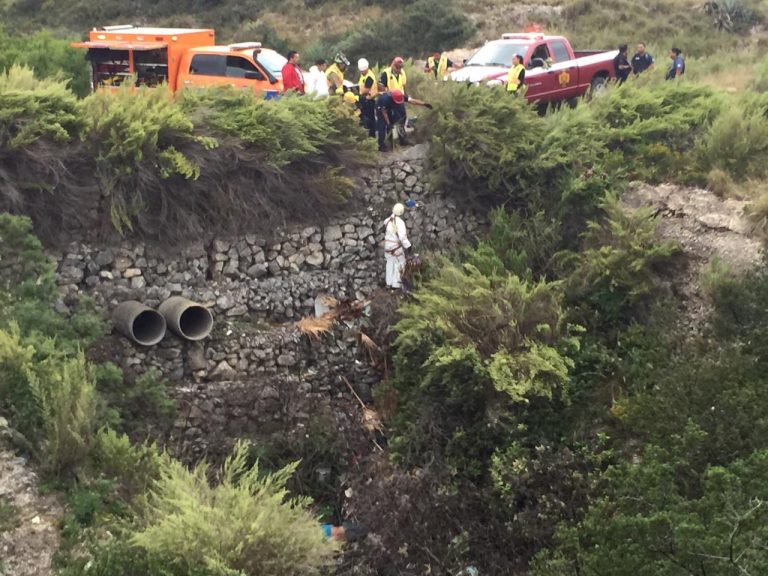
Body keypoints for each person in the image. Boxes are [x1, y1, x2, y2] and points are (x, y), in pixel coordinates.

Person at [383, 202, 411, 290]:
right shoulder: (400, 222)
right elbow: (402, 236)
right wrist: (408, 246)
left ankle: (388, 283)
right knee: (401, 262)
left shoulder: (387, 220)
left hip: (387, 246)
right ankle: (396, 285)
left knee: (390, 263)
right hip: (396, 246)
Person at [358, 58, 377, 138]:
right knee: (364, 118)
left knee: (370, 120)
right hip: (364, 99)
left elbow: (366, 90)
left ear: (367, 68)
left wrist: (358, 91)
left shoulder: (369, 77)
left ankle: (372, 137)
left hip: (369, 100)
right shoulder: (363, 75)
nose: (362, 72)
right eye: (361, 71)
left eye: (363, 71)